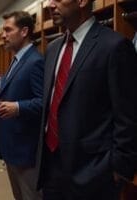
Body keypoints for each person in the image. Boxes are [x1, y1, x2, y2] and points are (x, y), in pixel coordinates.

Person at [36, 0, 137, 199]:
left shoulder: (114, 46)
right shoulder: (53, 48)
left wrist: (118, 169)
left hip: (93, 172)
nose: (49, 4)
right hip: (51, 167)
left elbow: (128, 116)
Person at [0, 11, 43, 200]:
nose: (3, 35)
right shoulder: (17, 59)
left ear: (24, 31)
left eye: (7, 30)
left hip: (26, 150)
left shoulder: (35, 61)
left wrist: (18, 107)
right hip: (12, 149)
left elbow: (44, 101)